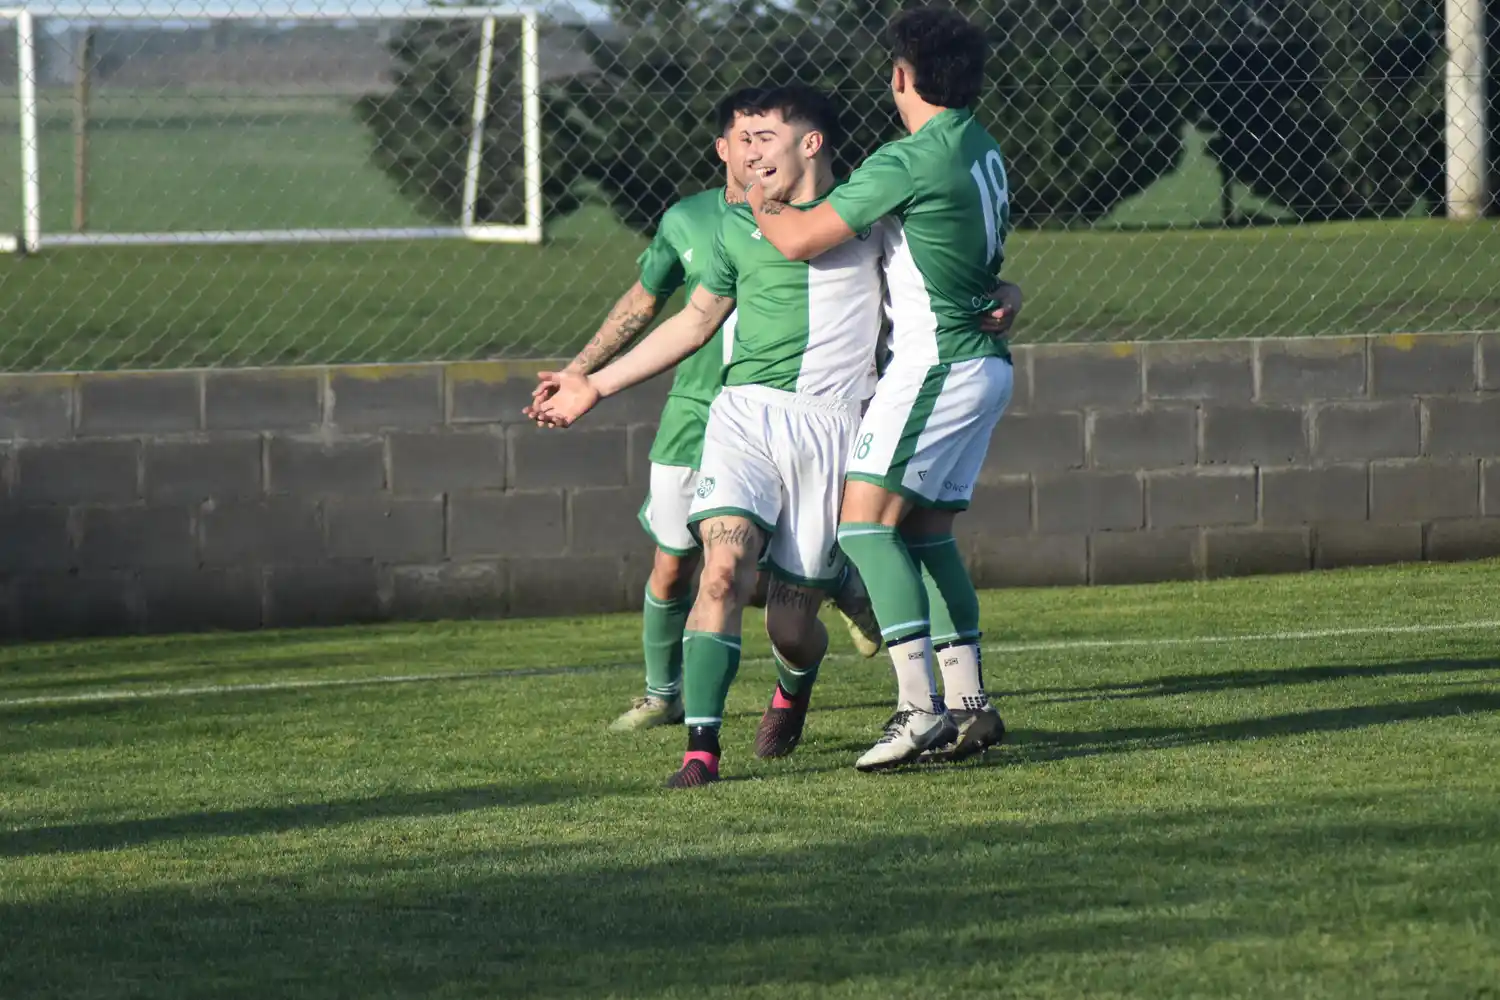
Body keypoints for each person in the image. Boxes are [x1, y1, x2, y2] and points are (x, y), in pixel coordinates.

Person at [528, 85, 888, 787]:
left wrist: (997, 296)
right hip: (743, 419)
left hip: (832, 426)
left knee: (790, 627)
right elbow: (693, 322)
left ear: (810, 143)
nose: (747, 156)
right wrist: (592, 383)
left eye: (763, 140)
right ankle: (700, 751)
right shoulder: (731, 227)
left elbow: (938, 278)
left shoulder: (873, 215)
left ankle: (794, 683)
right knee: (720, 570)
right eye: (740, 141)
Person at [745, 6, 1018, 770]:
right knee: (926, 533)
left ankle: (917, 711)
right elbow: (972, 260)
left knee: (864, 526)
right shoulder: (981, 147)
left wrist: (759, 190)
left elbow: (800, 238)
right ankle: (968, 705)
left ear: (903, 77)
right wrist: (1009, 296)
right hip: (982, 363)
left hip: (937, 363)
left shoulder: (911, 157)